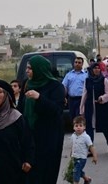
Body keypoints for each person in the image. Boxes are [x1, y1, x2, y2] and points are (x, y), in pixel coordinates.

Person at [23, 55, 66, 184]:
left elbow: (57, 110)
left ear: (39, 69)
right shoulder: (28, 84)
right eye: (27, 68)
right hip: (31, 136)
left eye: (30, 68)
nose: (27, 71)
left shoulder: (56, 86)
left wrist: (39, 98)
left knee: (46, 172)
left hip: (49, 137)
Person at [80, 61, 108, 149]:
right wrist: (82, 108)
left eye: (98, 68)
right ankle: (90, 148)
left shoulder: (104, 80)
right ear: (91, 70)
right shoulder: (87, 80)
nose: (97, 70)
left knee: (105, 127)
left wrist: (102, 98)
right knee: (89, 128)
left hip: (101, 107)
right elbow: (84, 94)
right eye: (95, 68)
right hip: (90, 107)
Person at [70, 116, 97, 184]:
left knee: (76, 171)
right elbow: (73, 145)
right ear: (73, 127)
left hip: (82, 158)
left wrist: (95, 156)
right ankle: (87, 179)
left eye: (80, 125)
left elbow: (91, 147)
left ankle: (76, 182)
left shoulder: (86, 137)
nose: (78, 127)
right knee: (77, 170)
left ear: (84, 127)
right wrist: (71, 153)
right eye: (76, 126)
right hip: (74, 157)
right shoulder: (73, 136)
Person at [63, 56, 88, 120]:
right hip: (71, 100)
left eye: (79, 62)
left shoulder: (86, 75)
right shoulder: (69, 75)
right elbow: (64, 86)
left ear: (82, 64)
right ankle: (75, 129)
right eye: (76, 62)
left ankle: (80, 130)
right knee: (72, 117)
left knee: (80, 117)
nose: (77, 64)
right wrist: (63, 97)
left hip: (81, 99)